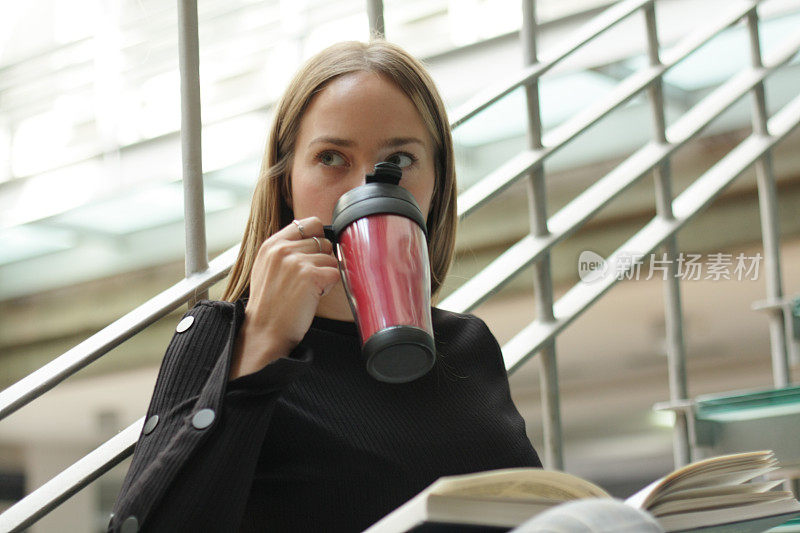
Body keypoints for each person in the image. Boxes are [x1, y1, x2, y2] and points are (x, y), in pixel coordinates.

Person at [109, 40, 541, 533]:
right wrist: (264, 343)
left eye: (398, 160)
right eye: (332, 157)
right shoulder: (219, 340)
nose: (367, 187)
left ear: (437, 182)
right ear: (287, 181)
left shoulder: (468, 345)